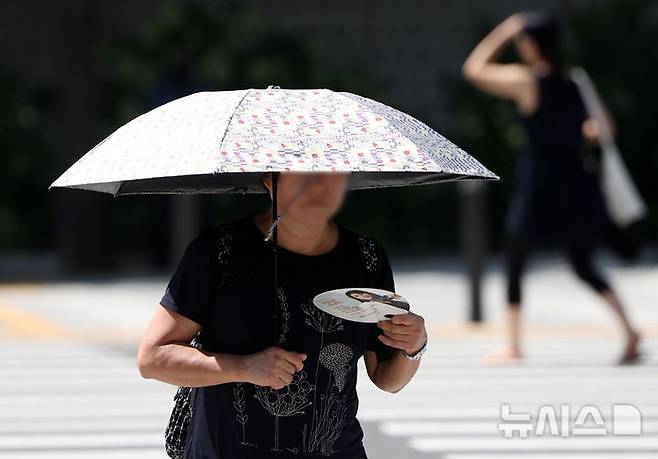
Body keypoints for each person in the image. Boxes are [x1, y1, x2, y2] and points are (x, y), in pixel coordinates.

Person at [137, 171, 428, 458]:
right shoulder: (220, 251)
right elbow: (153, 358)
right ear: (269, 182)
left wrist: (414, 345)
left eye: (331, 173)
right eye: (302, 175)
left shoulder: (367, 258)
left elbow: (387, 378)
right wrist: (245, 367)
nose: (317, 186)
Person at [462, 12, 640, 364]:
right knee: (582, 264)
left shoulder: (529, 81)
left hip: (540, 184)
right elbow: (605, 127)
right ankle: (630, 330)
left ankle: (513, 345)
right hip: (577, 185)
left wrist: (505, 29)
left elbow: (474, 69)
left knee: (515, 256)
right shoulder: (574, 83)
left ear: (532, 43)